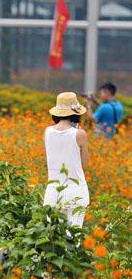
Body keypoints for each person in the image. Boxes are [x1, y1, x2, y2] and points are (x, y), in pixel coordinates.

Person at [44, 92, 90, 227]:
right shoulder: (80, 134)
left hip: (53, 191)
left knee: (52, 238)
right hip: (75, 190)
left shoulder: (47, 131)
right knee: (74, 238)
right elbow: (84, 161)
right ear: (76, 113)